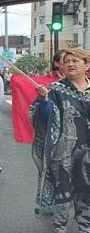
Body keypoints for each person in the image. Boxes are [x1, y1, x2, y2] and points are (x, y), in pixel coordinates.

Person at [31, 48, 90, 233]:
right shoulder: (54, 90)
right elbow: (42, 120)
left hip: (88, 154)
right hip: (62, 153)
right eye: (67, 61)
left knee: (86, 193)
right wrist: (44, 102)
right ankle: (59, 228)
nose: (71, 64)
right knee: (62, 195)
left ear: (86, 65)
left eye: (76, 61)